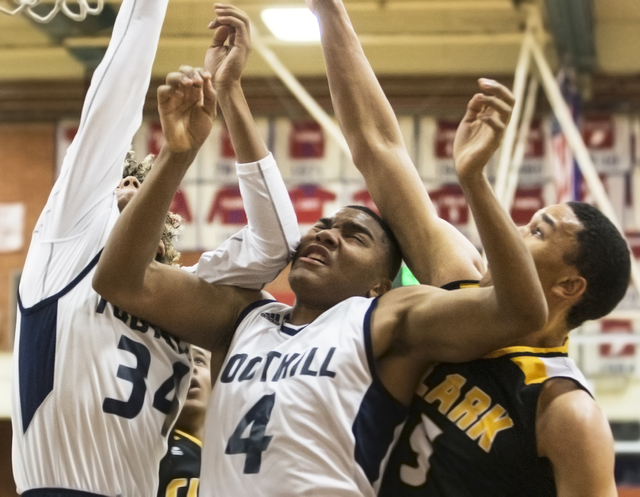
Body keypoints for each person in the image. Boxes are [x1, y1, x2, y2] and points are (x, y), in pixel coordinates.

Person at [92, 5, 548, 497]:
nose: (327, 234)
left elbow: (519, 310)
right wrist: (178, 154)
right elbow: (120, 281)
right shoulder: (243, 317)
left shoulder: (384, 317)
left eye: (355, 236)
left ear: (380, 282)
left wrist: (474, 180)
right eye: (324, 225)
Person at [305, 0, 631, 495]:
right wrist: (329, 11)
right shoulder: (457, 283)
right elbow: (377, 147)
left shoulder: (565, 409)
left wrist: (475, 181)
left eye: (538, 232)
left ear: (569, 285)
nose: (516, 233)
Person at [11, 0, 298, 495]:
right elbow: (115, 96)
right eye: (118, 182)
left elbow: (276, 245)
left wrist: (229, 94)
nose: (122, 186)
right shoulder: (67, 241)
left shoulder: (178, 293)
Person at [157, 346, 211, 497]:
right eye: (180, 361)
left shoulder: (232, 456)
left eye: (199, 361)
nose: (191, 367)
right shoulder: (156, 452)